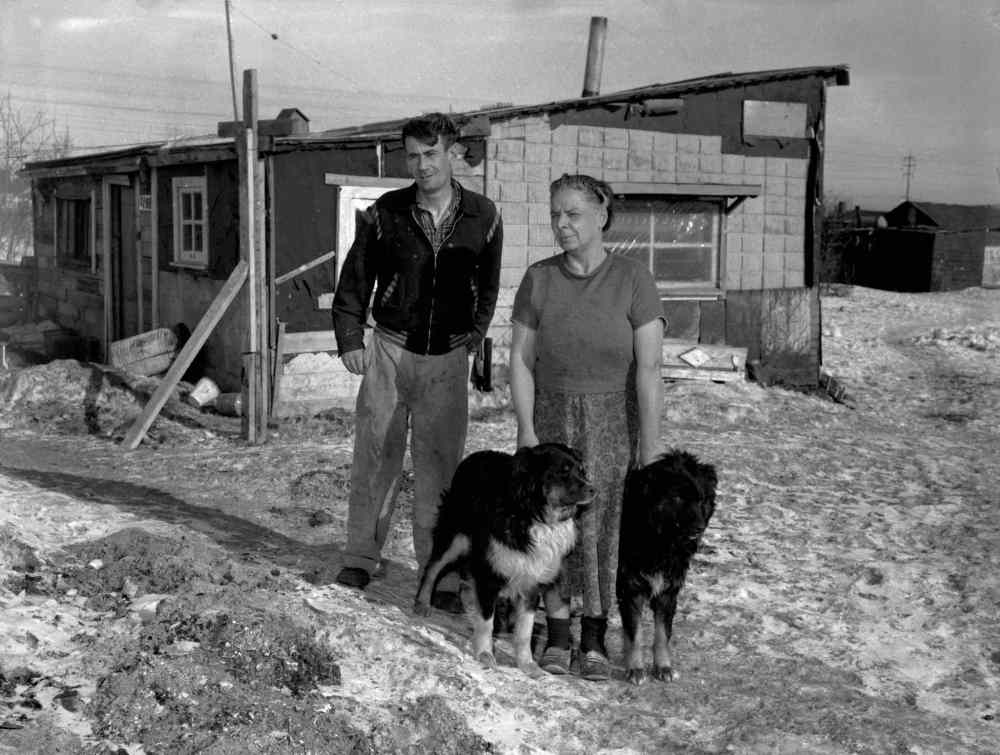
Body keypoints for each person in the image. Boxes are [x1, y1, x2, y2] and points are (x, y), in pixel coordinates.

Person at [331, 113, 503, 613]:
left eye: (431, 154)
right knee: (375, 457)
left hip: (446, 358)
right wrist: (349, 336)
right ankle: (361, 557)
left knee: (440, 473)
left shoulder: (483, 216)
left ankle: (441, 574)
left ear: (452, 153)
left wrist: (472, 338)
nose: (422, 164)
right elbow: (355, 278)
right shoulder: (387, 211)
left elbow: (487, 289)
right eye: (412, 155)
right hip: (389, 348)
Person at [509, 173, 665, 681]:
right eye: (555, 213)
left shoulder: (634, 279)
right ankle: (556, 633)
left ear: (602, 215)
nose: (561, 223)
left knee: (601, 529)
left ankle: (594, 636)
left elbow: (649, 370)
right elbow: (520, 360)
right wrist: (528, 431)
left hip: (612, 422)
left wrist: (651, 448)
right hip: (552, 417)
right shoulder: (539, 278)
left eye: (572, 213)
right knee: (550, 526)